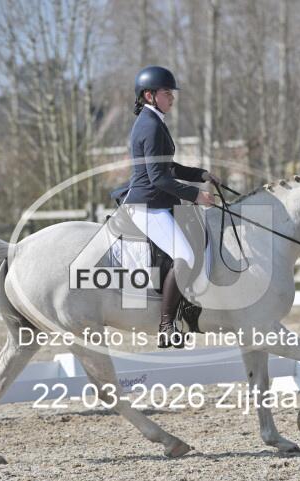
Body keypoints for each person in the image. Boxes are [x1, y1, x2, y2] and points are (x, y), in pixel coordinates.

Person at [119, 65, 220, 349]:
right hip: (148, 205)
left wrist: (200, 174)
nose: (172, 98)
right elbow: (158, 178)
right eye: (167, 93)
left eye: (171, 93)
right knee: (184, 256)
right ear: (149, 95)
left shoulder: (154, 121)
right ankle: (166, 325)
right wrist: (196, 195)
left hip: (157, 203)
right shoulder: (150, 126)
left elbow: (168, 166)